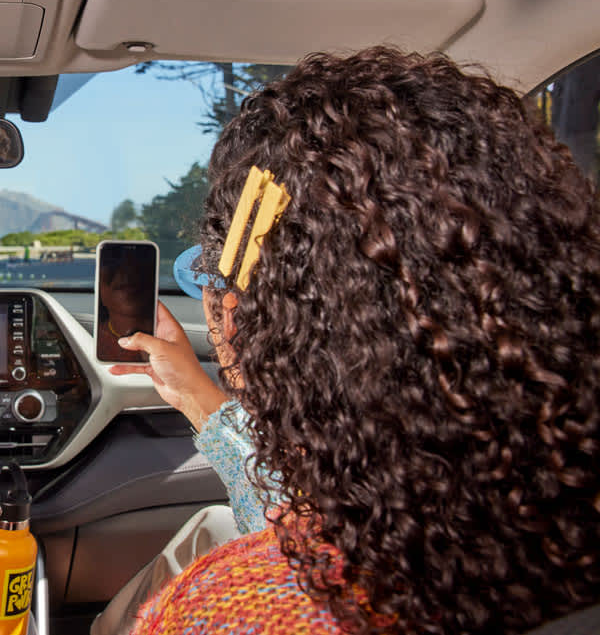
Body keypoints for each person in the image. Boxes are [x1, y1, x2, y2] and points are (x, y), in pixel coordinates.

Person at [112, 47, 600, 634]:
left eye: (217, 289)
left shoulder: (227, 609)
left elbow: (294, 518)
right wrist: (197, 395)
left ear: (239, 320)